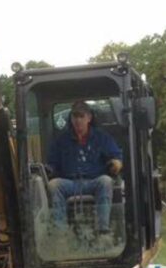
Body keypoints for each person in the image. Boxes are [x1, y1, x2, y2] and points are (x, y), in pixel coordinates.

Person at [46, 100, 123, 235]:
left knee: (106, 181)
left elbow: (116, 156)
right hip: (70, 183)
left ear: (89, 118)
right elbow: (52, 163)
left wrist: (116, 164)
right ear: (71, 118)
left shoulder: (101, 137)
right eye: (75, 116)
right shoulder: (61, 140)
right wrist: (49, 169)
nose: (78, 120)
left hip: (94, 181)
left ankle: (102, 230)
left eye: (81, 116)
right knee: (53, 185)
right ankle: (60, 233)